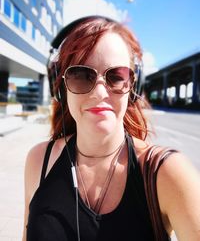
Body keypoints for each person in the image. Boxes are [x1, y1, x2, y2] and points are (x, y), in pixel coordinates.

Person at [22, 16, 200, 241]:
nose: (99, 93)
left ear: (133, 88)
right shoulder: (39, 161)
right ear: (61, 87)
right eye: (80, 75)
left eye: (116, 77)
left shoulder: (167, 172)